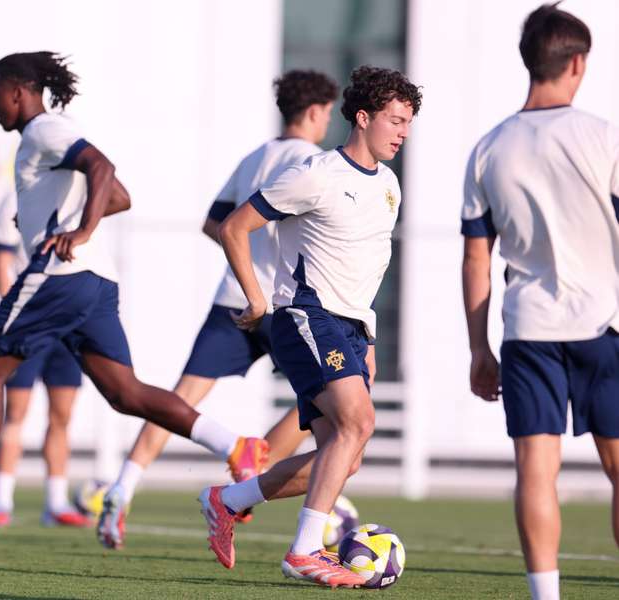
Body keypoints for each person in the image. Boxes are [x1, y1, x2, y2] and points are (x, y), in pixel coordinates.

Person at [0, 51, 267, 541]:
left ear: (19, 92)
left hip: (59, 277)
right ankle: (235, 447)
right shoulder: (46, 140)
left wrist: (80, 230)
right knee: (124, 393)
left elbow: (102, 167)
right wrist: (61, 217)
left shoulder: (44, 129)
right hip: (95, 284)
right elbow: (119, 195)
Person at [198, 65, 421, 588]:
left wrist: (369, 337)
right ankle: (303, 551)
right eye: (395, 119)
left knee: (345, 456)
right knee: (357, 425)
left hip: (349, 329)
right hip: (304, 316)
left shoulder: (389, 186)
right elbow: (233, 227)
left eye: (408, 122)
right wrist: (256, 298)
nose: (403, 132)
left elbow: (367, 268)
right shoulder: (315, 172)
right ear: (362, 118)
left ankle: (228, 500)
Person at [97, 69, 339, 550]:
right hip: (284, 303)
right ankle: (256, 479)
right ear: (315, 112)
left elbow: (216, 222)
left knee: (180, 400)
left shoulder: (256, 156)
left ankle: (122, 489)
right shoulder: (313, 160)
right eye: (329, 114)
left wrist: (248, 252)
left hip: (234, 294)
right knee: (320, 404)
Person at [460, 5, 619, 600]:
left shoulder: (488, 148)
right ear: (578, 62)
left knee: (535, 470)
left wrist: (479, 349)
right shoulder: (605, 137)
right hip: (605, 325)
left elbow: (477, 258)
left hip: (527, 330)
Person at [0, 190, 89, 527]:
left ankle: (55, 503)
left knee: (62, 416)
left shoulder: (79, 197)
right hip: (29, 322)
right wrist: (12, 317)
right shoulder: (14, 199)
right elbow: (3, 261)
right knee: (16, 413)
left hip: (66, 325)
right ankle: (2, 501)